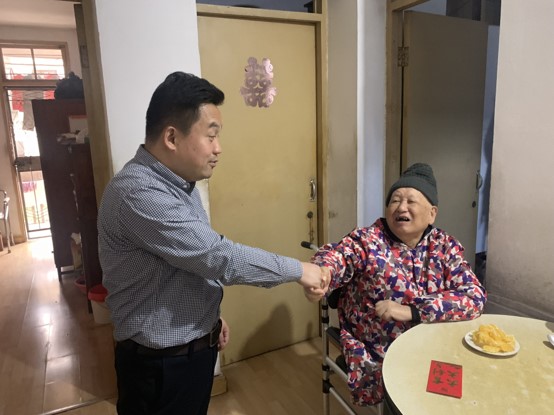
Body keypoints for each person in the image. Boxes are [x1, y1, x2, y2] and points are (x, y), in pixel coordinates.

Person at [97, 71, 328, 415]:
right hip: (161, 365)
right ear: (172, 137)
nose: (218, 148)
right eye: (211, 135)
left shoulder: (179, 183)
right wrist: (299, 270)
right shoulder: (138, 193)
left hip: (189, 349)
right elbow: (219, 257)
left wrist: (209, 319)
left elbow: (185, 263)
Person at [310, 163, 487, 407]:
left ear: (432, 213)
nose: (401, 207)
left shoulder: (445, 246)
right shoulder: (367, 240)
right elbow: (337, 256)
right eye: (395, 200)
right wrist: (321, 273)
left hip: (433, 344)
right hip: (378, 349)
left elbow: (475, 297)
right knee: (410, 400)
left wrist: (412, 310)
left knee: (463, 391)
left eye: (411, 201)